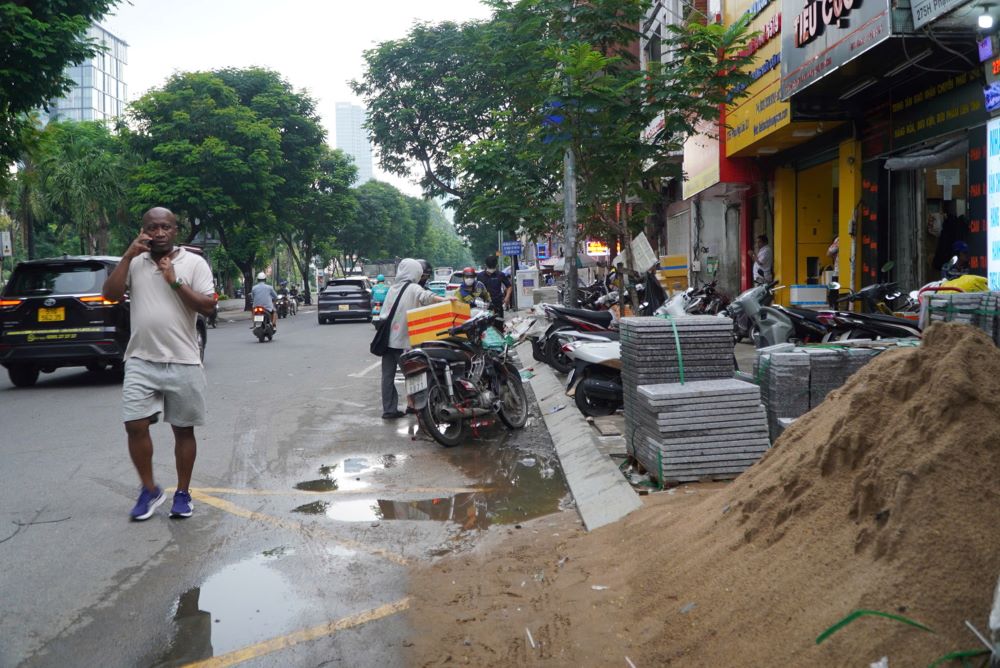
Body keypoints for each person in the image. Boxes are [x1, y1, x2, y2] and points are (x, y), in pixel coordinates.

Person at [101, 207, 215, 520]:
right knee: (134, 424)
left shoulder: (193, 263)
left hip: (183, 359)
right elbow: (109, 295)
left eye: (166, 227)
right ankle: (149, 490)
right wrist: (126, 256)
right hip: (141, 358)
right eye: (153, 227)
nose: (160, 233)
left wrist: (174, 281)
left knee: (183, 430)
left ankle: (182, 493)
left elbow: (208, 306)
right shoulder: (134, 262)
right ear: (144, 230)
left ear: (175, 230)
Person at [377, 258, 451, 419]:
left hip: (386, 340)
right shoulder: (413, 288)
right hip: (403, 340)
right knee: (413, 374)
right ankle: (415, 405)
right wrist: (445, 300)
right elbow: (426, 297)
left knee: (387, 377)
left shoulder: (392, 288)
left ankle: (389, 410)